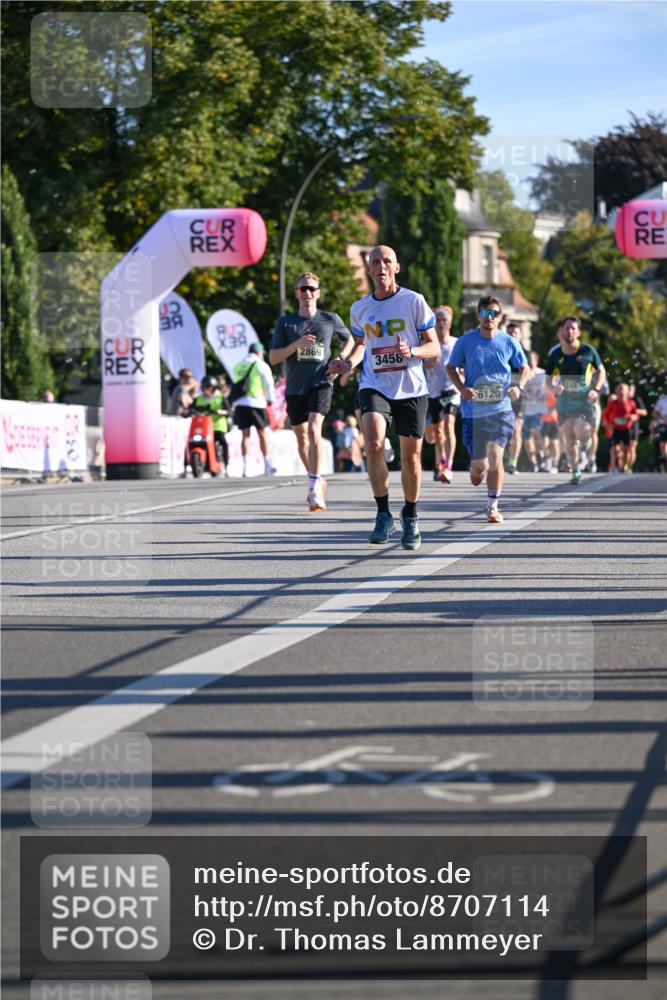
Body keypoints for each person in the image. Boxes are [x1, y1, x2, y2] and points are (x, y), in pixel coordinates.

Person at [328, 245, 439, 550]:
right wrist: (346, 364)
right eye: (375, 262)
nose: (381, 266)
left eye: (387, 261)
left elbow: (435, 347)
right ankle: (382, 513)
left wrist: (412, 351)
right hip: (374, 383)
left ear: (396, 267)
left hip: (411, 387)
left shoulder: (413, 301)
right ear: (369, 269)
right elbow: (362, 345)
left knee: (410, 458)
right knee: (374, 441)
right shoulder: (359, 308)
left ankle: (411, 516)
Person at [269, 271, 353, 510]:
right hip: (295, 387)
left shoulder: (330, 319)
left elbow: (349, 339)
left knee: (315, 429)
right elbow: (274, 358)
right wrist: (297, 344)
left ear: (318, 293)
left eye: (311, 288)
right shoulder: (286, 323)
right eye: (302, 289)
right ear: (296, 293)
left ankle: (314, 488)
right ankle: (317, 478)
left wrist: (340, 359)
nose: (307, 292)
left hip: (322, 381)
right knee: (302, 440)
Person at [446, 296, 530, 523]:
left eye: (494, 313)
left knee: (495, 456)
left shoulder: (508, 342)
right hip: (473, 412)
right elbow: (451, 367)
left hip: (501, 410)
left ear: (500, 317)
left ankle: (493, 505)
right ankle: (476, 470)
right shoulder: (465, 341)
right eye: (485, 313)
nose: (489, 318)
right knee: (479, 468)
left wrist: (518, 387)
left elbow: (525, 367)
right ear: (478, 315)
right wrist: (462, 389)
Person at [544, 317, 606, 486]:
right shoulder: (556, 354)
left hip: (584, 401)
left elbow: (601, 371)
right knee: (569, 440)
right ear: (561, 331)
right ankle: (575, 470)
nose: (570, 331)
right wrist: (553, 389)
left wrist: (596, 389)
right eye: (567, 328)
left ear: (578, 332)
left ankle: (586, 453)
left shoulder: (588, 350)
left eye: (573, 328)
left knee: (583, 433)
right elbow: (548, 380)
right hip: (564, 402)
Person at [424, 305, 460, 483]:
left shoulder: (456, 343)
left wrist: (462, 375)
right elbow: (417, 366)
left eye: (444, 320)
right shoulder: (428, 344)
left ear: (450, 323)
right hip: (433, 392)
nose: (440, 323)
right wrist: (429, 363)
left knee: (448, 426)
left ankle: (448, 465)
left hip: (452, 390)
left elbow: (465, 365)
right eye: (437, 320)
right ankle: (442, 460)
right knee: (436, 433)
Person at [232, 342, 277, 476]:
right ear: (259, 352)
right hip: (256, 401)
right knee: (262, 433)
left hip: (240, 402)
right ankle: (267, 464)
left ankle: (245, 466)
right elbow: (268, 383)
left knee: (245, 435)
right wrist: (271, 399)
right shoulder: (261, 364)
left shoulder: (238, 365)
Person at [191, 375, 229, 473]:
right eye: (204, 388)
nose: (206, 390)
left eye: (209, 388)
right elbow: (191, 409)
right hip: (203, 428)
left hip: (217, 426)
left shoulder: (220, 398)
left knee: (223, 442)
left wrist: (219, 411)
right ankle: (186, 465)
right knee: (190, 443)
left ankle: (226, 465)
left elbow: (228, 411)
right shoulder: (199, 399)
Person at [602, 383, 639, 474]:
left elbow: (636, 414)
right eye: (619, 389)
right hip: (616, 428)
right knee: (615, 448)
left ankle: (624, 467)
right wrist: (609, 424)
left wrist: (633, 417)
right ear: (616, 391)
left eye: (623, 389)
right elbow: (606, 414)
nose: (621, 391)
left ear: (627, 391)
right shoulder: (612, 403)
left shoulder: (631, 403)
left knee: (626, 449)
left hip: (627, 429)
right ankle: (614, 466)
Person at [505, 321, 526, 474]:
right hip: (500, 395)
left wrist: (518, 385)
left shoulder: (525, 353)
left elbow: (528, 372)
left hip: (519, 395)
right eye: (510, 333)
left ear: (520, 335)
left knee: (516, 430)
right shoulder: (502, 350)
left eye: (515, 333)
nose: (512, 335)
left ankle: (513, 462)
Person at [521, 351, 547, 472]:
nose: (530, 362)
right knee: (527, 438)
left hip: (540, 410)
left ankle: (541, 453)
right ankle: (534, 463)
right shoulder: (524, 374)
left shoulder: (543, 374)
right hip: (526, 410)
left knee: (536, 432)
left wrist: (545, 395)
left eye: (532, 360)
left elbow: (550, 389)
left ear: (536, 360)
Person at [627, 383, 648, 472]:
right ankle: (623, 466)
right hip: (623, 426)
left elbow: (645, 412)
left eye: (631, 389)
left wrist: (635, 411)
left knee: (632, 446)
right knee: (624, 447)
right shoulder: (621, 399)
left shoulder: (636, 399)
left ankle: (629, 467)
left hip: (634, 425)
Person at [540, 389, 561, 473]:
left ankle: (555, 465)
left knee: (555, 444)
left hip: (555, 421)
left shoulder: (557, 391)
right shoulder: (542, 390)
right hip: (545, 421)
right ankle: (547, 459)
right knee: (545, 443)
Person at [651, 393, 667, 473]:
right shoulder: (662, 400)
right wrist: (663, 418)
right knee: (663, 443)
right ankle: (664, 461)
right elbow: (654, 413)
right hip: (663, 424)